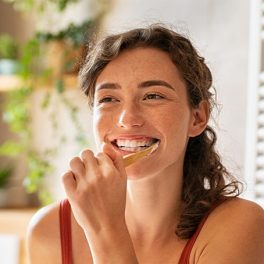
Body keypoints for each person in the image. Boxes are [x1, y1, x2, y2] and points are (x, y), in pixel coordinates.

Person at [26, 24, 264, 264]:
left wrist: (106, 229)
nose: (127, 119)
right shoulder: (50, 231)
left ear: (198, 117)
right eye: (109, 99)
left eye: (153, 96)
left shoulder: (239, 226)